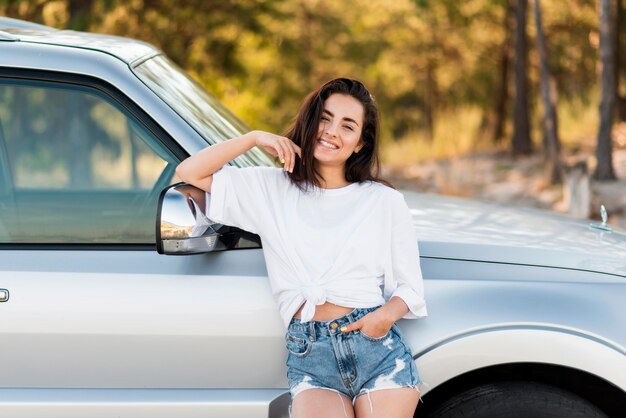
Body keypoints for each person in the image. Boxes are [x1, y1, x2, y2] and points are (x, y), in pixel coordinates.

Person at [176, 78, 427, 418]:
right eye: (325, 118)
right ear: (310, 123)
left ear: (359, 144)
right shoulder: (270, 188)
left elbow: (409, 289)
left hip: (376, 349)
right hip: (311, 355)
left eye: (347, 126)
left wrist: (381, 319)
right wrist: (253, 138)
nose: (331, 131)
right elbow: (189, 171)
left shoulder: (383, 201)